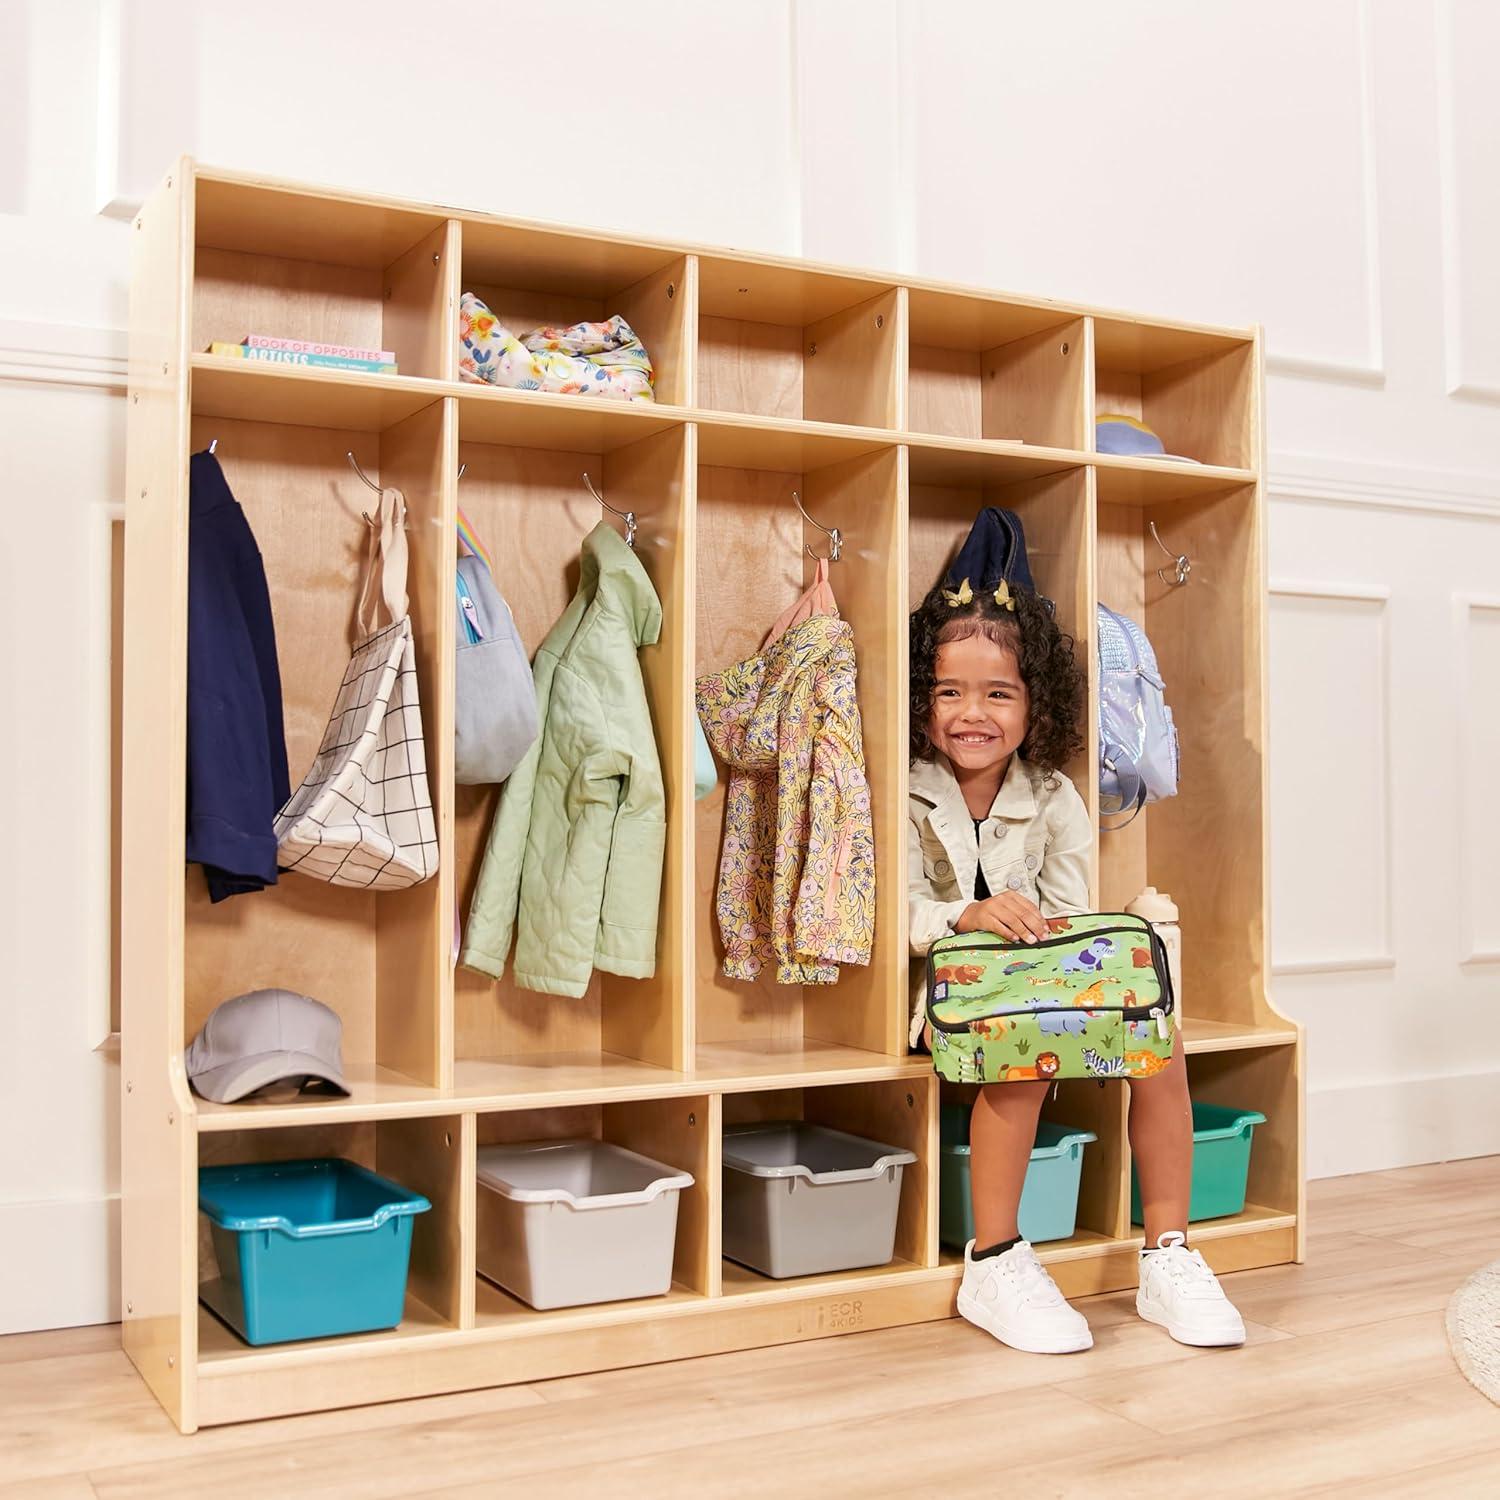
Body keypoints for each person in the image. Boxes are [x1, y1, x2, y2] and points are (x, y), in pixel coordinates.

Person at [908, 577, 1246, 1354]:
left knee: (1160, 1040)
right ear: (923, 703)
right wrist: (965, 914)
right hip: (946, 998)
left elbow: (1072, 913)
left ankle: (1168, 1253)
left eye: (999, 694)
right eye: (950, 692)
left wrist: (1062, 958)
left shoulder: (1053, 794)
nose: (973, 714)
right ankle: (992, 1259)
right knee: (1020, 1052)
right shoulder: (906, 792)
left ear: (1035, 706)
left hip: (1041, 980)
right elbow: (882, 912)